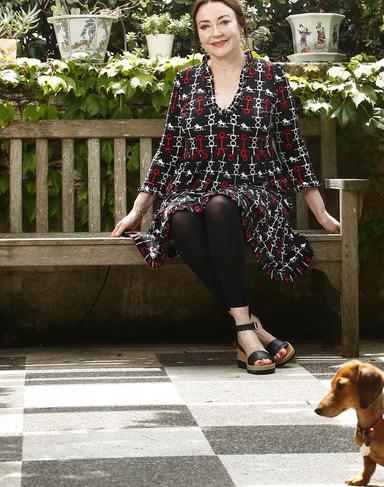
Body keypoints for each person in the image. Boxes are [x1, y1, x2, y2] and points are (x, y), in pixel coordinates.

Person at [111, 0, 340, 375]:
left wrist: (322, 213)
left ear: (240, 26)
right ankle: (249, 329)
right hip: (193, 185)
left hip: (257, 187)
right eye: (205, 26)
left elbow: (292, 148)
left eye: (223, 22)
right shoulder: (186, 82)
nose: (215, 33)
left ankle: (245, 333)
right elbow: (168, 150)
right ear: (198, 35)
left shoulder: (271, 78)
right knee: (182, 216)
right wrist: (137, 211)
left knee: (221, 204)